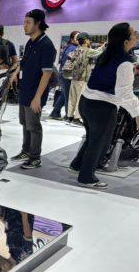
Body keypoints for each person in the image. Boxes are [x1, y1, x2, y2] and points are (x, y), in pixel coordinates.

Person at [69, 23, 139, 189]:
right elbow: (125, 94)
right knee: (100, 143)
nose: (136, 34)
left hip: (86, 102)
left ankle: (77, 164)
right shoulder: (124, 63)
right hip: (103, 107)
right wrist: (137, 114)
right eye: (133, 33)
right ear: (125, 41)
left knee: (92, 139)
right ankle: (86, 177)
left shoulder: (106, 54)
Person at [10, 9, 57, 169]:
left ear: (38, 24)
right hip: (25, 89)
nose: (24, 25)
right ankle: (26, 151)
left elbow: (47, 73)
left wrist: (37, 98)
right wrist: (15, 72)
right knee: (25, 123)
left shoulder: (46, 45)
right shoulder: (31, 42)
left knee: (33, 126)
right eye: (24, 22)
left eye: (28, 22)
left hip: (35, 93)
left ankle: (35, 157)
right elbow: (23, 63)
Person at [65, 32, 104, 127]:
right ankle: (76, 118)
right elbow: (100, 54)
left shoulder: (76, 50)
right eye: (88, 40)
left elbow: (93, 52)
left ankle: (69, 117)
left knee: (72, 98)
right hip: (82, 79)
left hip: (74, 78)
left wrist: (100, 47)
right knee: (80, 99)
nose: (89, 41)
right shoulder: (87, 51)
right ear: (86, 40)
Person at [49, 30, 79, 120]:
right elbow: (68, 62)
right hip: (66, 76)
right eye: (77, 38)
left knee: (64, 95)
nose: (79, 39)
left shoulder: (69, 47)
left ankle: (55, 113)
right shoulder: (73, 48)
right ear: (72, 39)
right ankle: (68, 116)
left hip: (63, 75)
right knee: (69, 97)